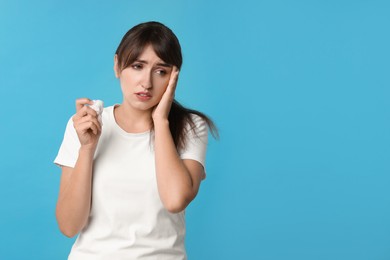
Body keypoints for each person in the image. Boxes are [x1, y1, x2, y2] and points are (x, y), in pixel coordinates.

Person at [54, 21, 217, 259]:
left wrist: (161, 121)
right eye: (138, 66)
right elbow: (69, 226)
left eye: (161, 71)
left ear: (174, 77)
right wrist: (87, 149)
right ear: (117, 65)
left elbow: (175, 200)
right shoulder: (85, 124)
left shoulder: (190, 127)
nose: (147, 82)